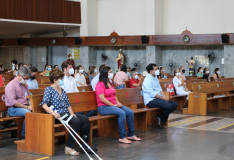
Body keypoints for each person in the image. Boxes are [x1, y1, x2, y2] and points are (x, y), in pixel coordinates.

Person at [41, 69, 97, 156]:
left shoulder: (62, 90)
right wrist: (53, 113)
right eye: (61, 79)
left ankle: (85, 146)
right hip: (57, 115)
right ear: (55, 80)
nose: (62, 80)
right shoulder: (49, 90)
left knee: (85, 119)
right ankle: (69, 147)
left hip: (66, 113)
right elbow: (44, 105)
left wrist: (72, 113)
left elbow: (68, 104)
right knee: (76, 121)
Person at [95, 66, 141, 144]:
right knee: (121, 113)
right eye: (110, 72)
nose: (111, 73)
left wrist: (118, 102)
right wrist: (113, 105)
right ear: (105, 73)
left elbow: (114, 95)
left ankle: (131, 134)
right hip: (103, 107)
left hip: (113, 105)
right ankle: (122, 137)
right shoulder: (99, 84)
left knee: (130, 112)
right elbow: (102, 99)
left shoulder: (109, 83)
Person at [142, 63, 177, 129]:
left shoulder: (155, 78)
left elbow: (159, 89)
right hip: (150, 100)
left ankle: (160, 117)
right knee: (168, 106)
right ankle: (163, 121)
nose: (157, 70)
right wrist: (163, 98)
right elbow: (152, 94)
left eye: (157, 69)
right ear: (151, 71)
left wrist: (164, 96)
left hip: (158, 98)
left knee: (174, 105)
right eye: (155, 69)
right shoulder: (147, 80)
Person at [5, 66, 32, 138]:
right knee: (28, 114)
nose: (26, 80)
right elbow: (13, 102)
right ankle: (24, 136)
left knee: (38, 112)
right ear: (19, 76)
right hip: (13, 109)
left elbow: (29, 98)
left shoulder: (25, 85)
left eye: (27, 79)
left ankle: (33, 134)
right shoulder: (11, 85)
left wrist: (32, 106)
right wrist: (26, 107)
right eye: (25, 79)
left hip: (24, 107)